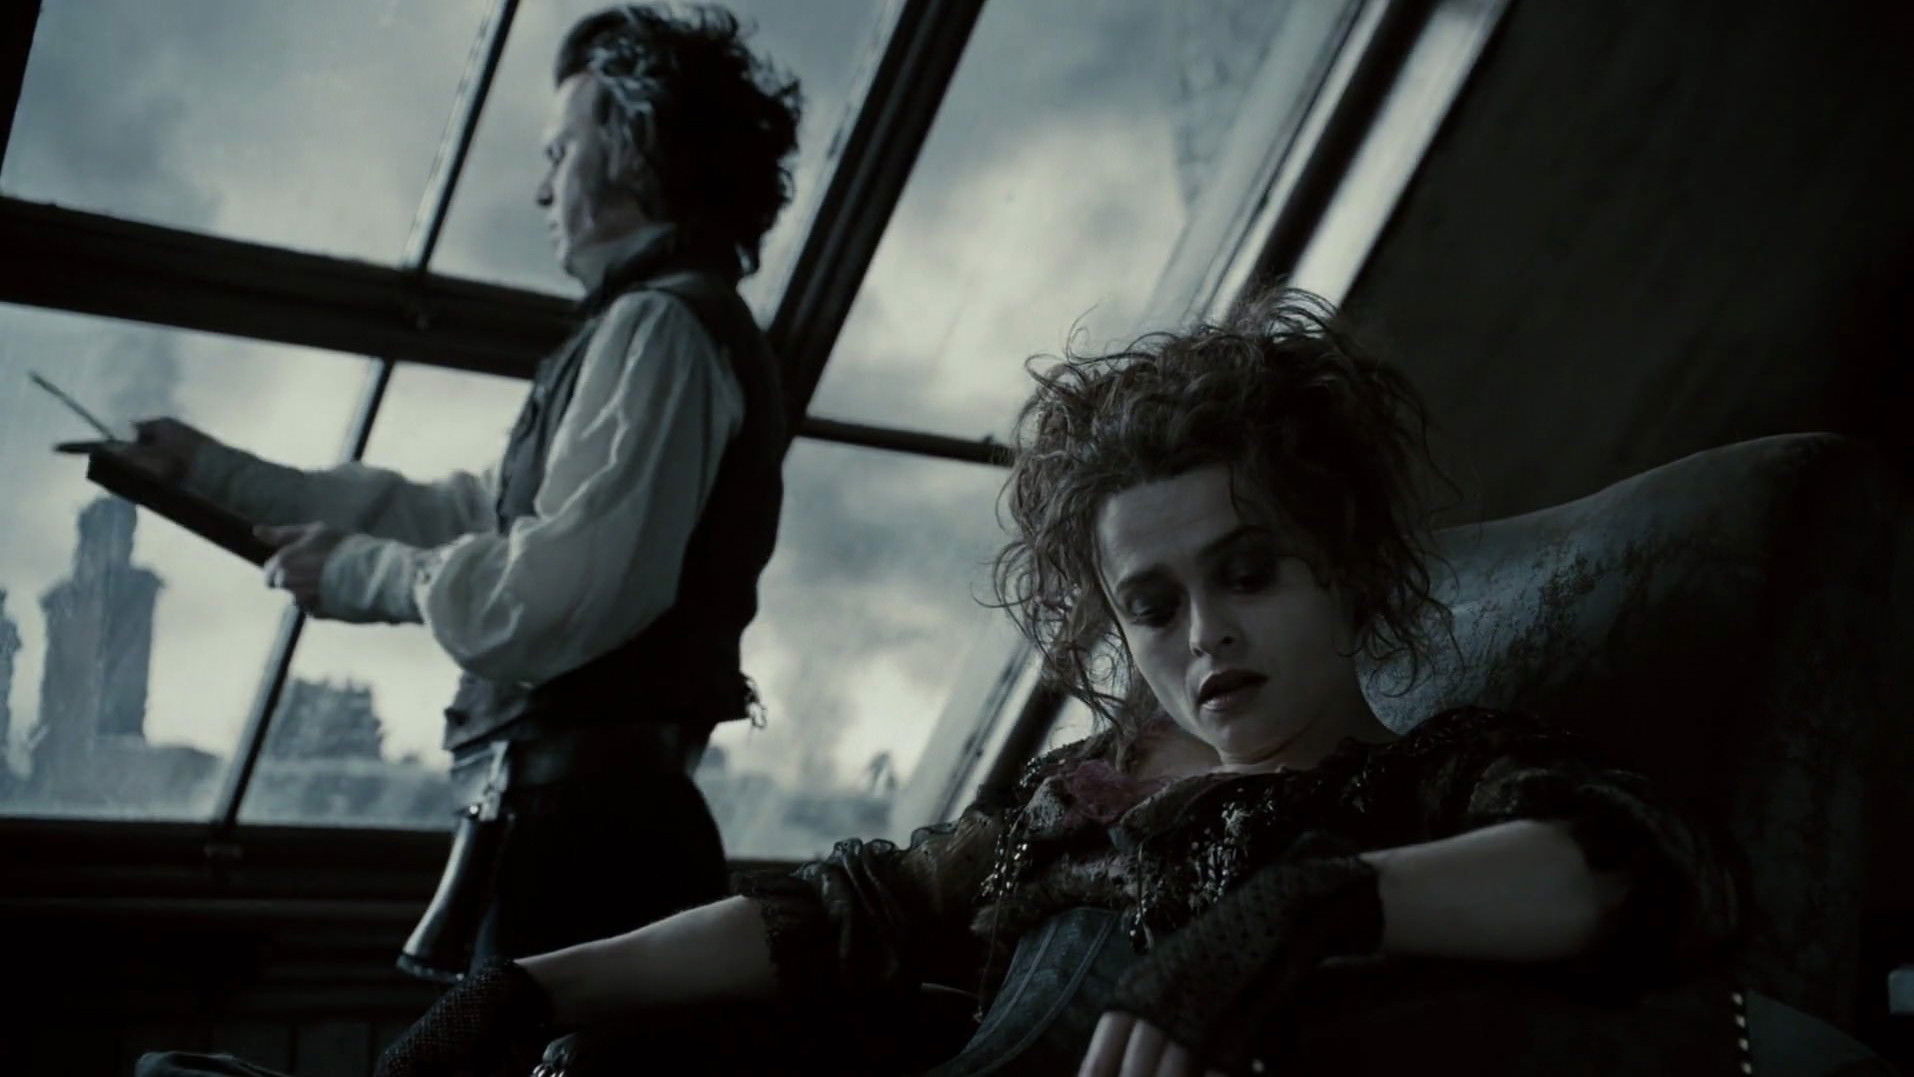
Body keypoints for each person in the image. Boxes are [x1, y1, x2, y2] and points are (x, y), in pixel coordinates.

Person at [356, 290, 1749, 1076]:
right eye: (1154, 604)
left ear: (1341, 565)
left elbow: (1645, 867)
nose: (1206, 634)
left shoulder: (1416, 781)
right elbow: (844, 909)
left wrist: (1309, 905)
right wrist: (529, 988)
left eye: (1248, 572)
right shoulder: (1069, 800)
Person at [84, 3, 802, 988]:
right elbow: (471, 516)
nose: (542, 186)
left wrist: (366, 574)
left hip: (592, 852)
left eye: (559, 151)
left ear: (635, 148)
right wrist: (212, 473)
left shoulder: (659, 333)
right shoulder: (650, 330)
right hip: (579, 835)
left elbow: (549, 599)